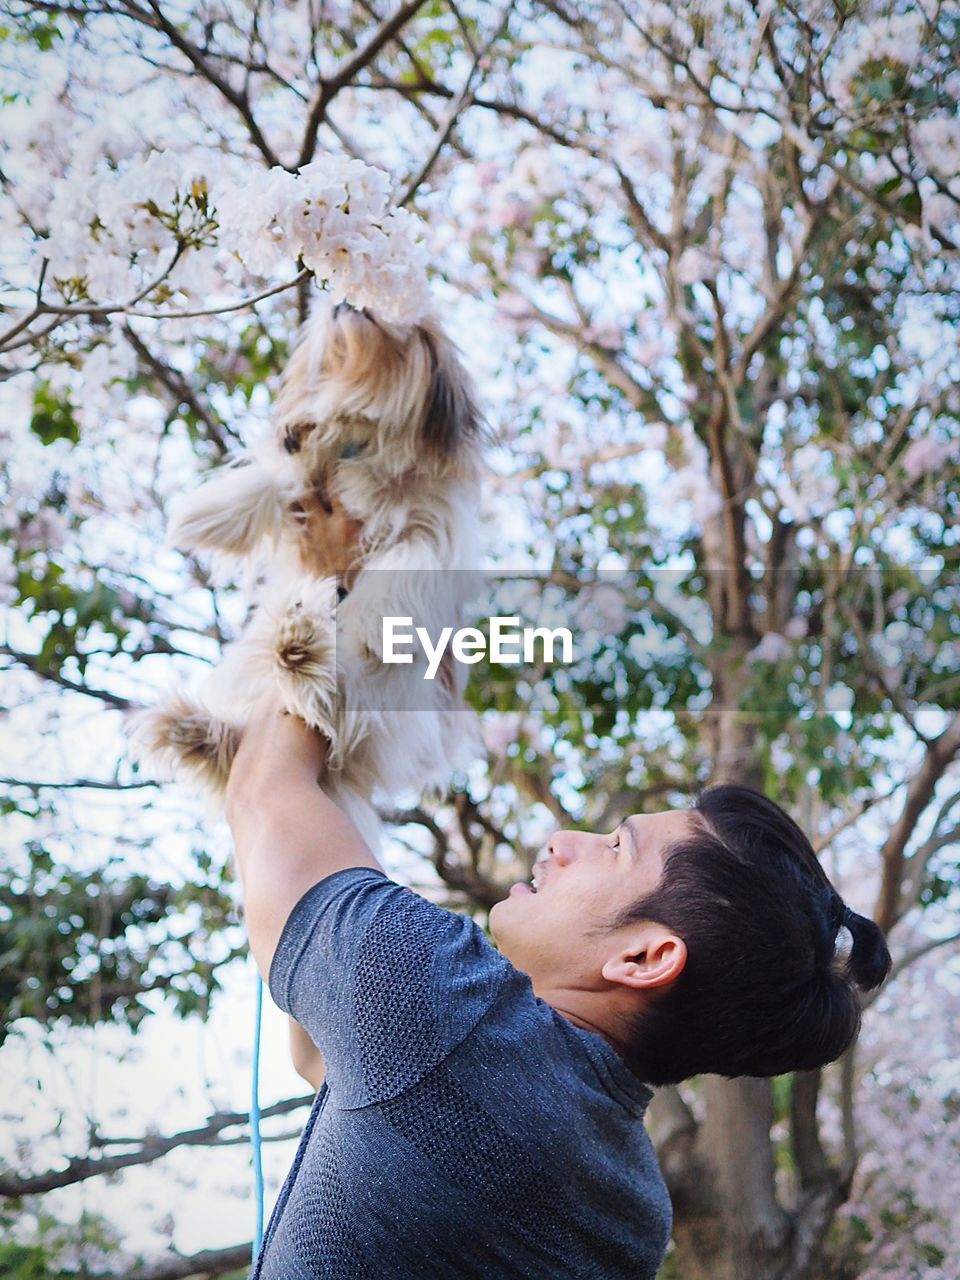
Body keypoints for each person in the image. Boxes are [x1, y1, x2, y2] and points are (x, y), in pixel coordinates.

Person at [225, 693, 892, 1280]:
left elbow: (261, 786)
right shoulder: (634, 1213)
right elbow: (324, 1063)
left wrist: (347, 599)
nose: (562, 840)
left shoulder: (452, 1014)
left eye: (613, 849)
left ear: (644, 957)